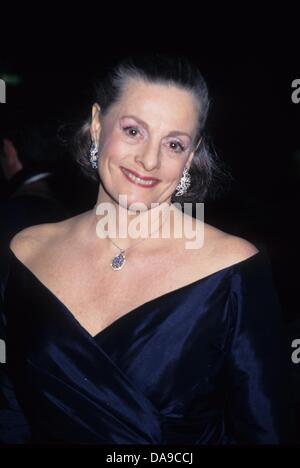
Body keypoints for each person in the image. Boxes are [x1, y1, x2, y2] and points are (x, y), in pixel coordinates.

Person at [0, 54, 294, 445]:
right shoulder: (25, 253)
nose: (149, 160)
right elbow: (9, 416)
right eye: (134, 131)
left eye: (173, 143)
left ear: (190, 155)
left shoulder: (233, 269)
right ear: (96, 123)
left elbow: (266, 433)